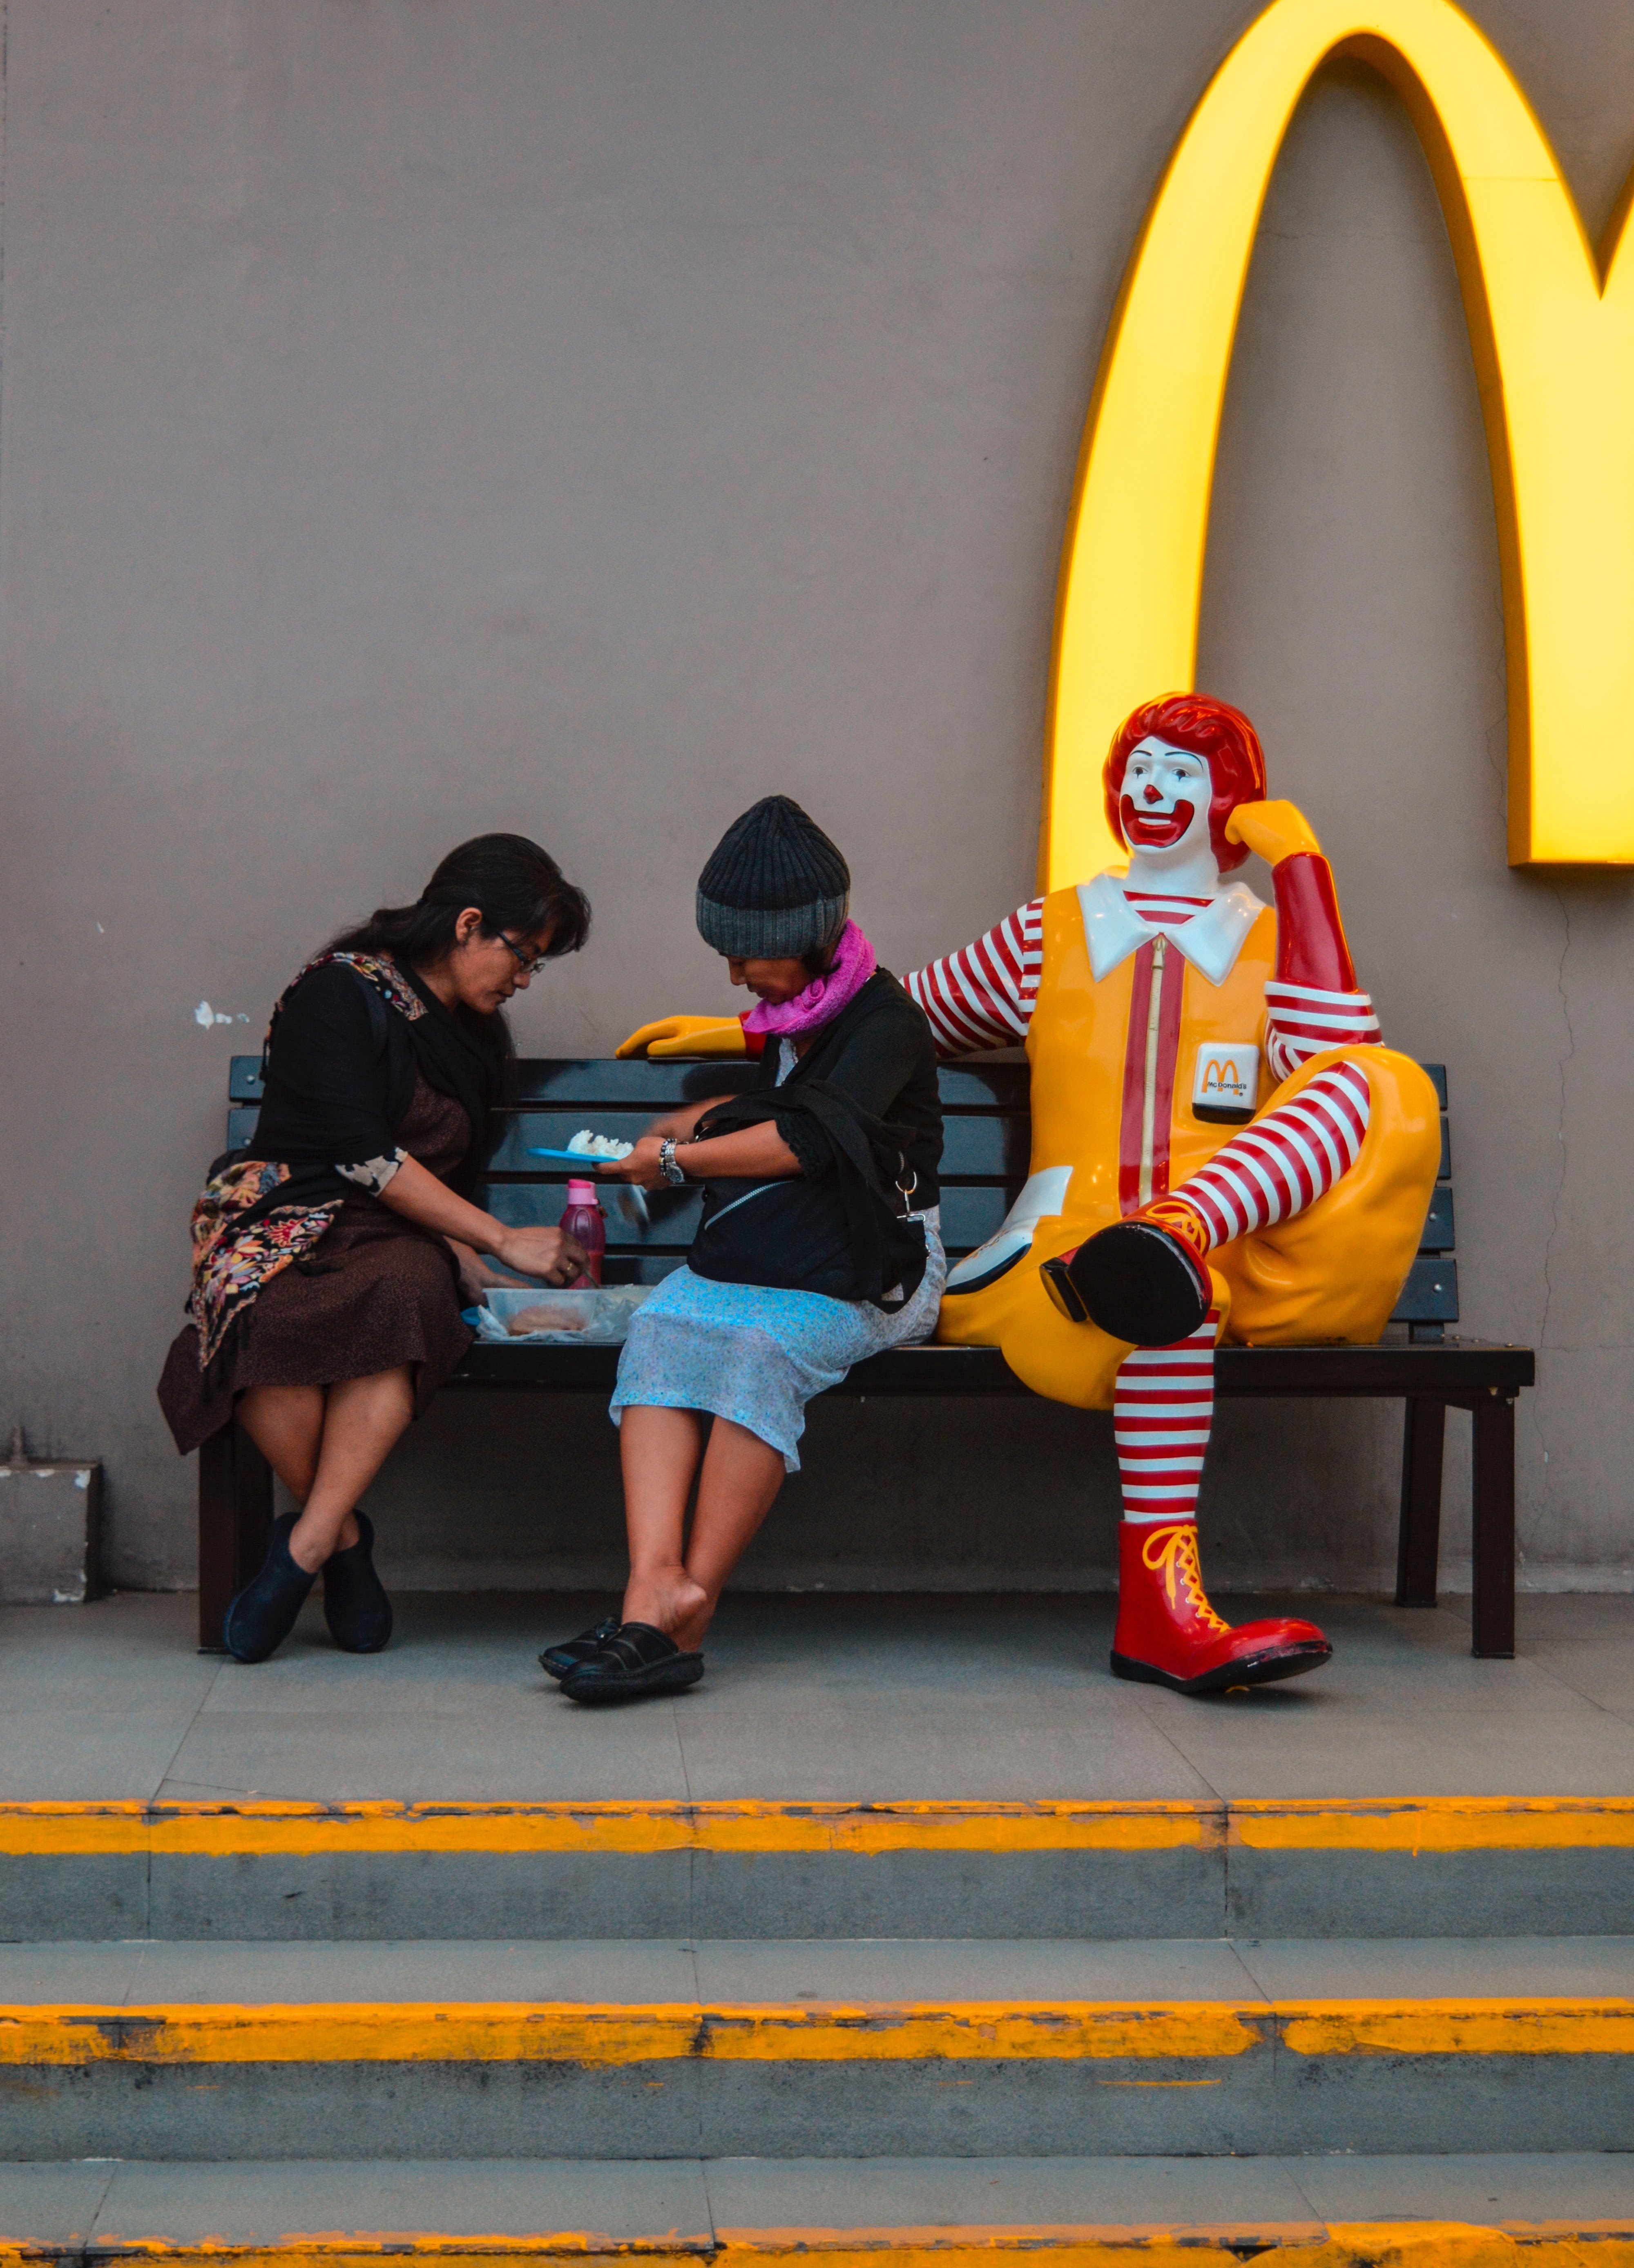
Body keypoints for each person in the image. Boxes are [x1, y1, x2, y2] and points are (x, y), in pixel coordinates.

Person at [615, 697, 1440, 1698]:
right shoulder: (1051, 932)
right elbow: (891, 1020)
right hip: (1061, 1260)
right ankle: (1161, 1613)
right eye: (1138, 767)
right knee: (1162, 1309)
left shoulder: (1269, 944)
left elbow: (1326, 1067)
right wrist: (738, 1029)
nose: (1152, 791)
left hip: (1235, 1250)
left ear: (1231, 801)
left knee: (1378, 1082)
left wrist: (1301, 870)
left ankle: (1180, 1227)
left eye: (1182, 774)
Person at [541, 796, 943, 1705]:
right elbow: (773, 1113)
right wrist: (693, 1121)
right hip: (786, 1249)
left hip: (877, 1265)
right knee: (665, 1326)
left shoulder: (882, 1021)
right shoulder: (796, 1011)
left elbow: (804, 1144)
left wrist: (674, 1160)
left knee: (757, 1347)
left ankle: (691, 1606)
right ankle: (650, 1586)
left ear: (804, 936)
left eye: (744, 952)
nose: (733, 974)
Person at [158, 833, 592, 1665]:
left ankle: (304, 1548)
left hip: (397, 1236)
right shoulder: (337, 993)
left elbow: (438, 1176)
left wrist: (463, 1251)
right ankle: (344, 1541)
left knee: (402, 1296)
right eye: (524, 955)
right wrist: (499, 1237)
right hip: (289, 1210)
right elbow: (363, 1155)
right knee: (264, 1317)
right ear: (469, 923)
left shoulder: (470, 1035)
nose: (524, 980)